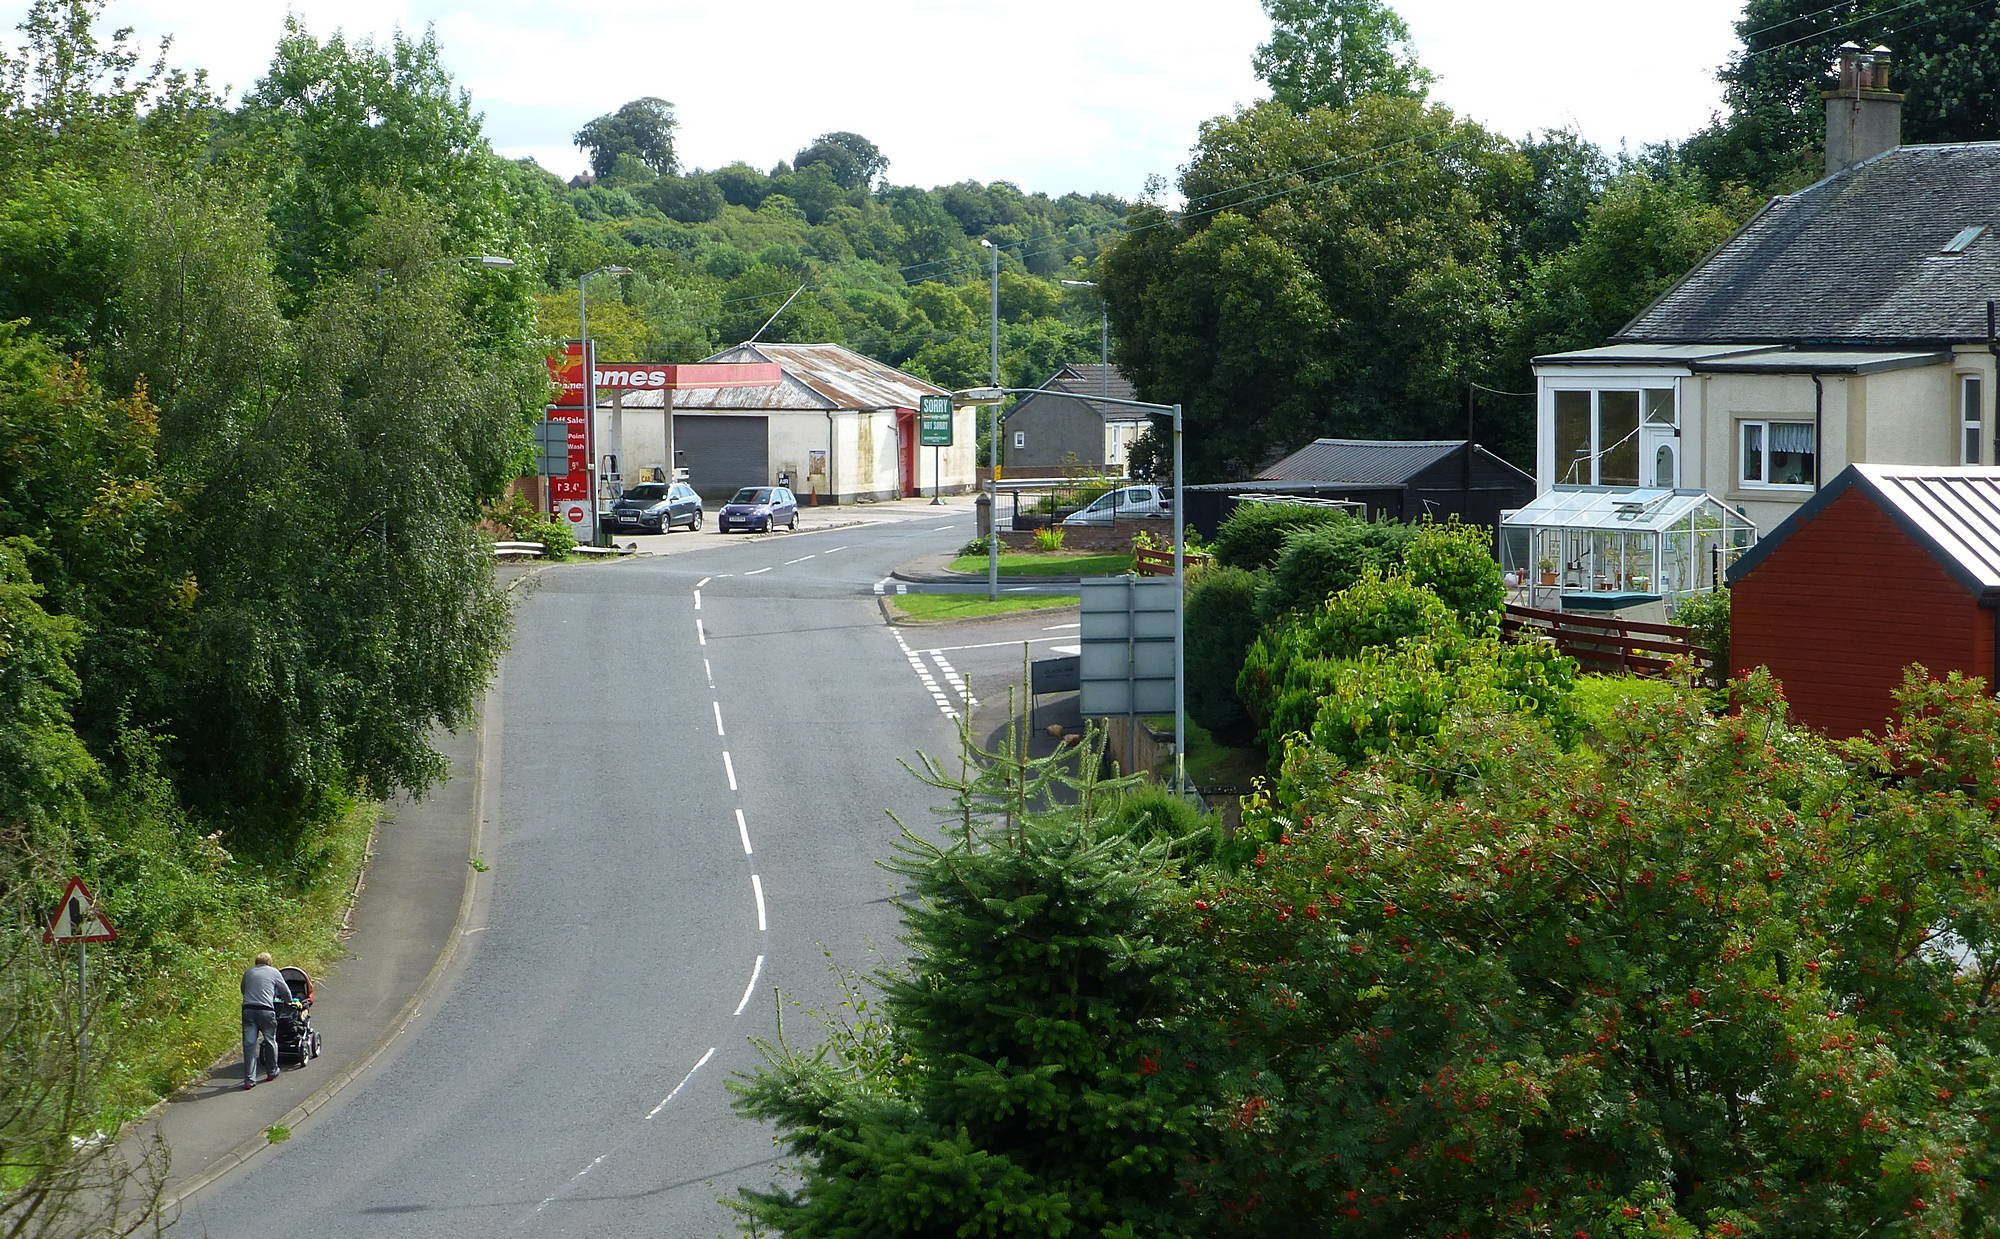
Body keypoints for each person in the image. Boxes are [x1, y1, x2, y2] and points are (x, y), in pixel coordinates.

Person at [241, 952, 293, 1090]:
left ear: (256, 962)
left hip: (248, 1010)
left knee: (249, 1044)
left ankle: (249, 1080)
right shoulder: (274, 972)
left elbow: (243, 989)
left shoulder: (248, 972)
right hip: (266, 1011)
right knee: (270, 1040)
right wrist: (289, 1002)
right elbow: (285, 991)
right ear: (269, 962)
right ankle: (272, 1071)